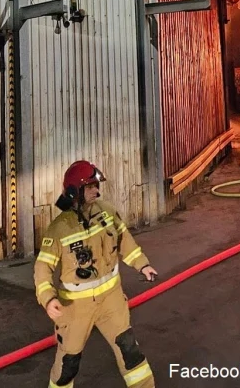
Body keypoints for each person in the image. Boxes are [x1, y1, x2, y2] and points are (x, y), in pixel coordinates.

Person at [34, 160, 158, 387]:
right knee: (68, 364)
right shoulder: (59, 228)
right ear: (75, 191)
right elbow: (43, 268)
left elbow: (125, 242)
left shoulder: (108, 213)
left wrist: (142, 264)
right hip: (74, 308)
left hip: (111, 300)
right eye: (90, 186)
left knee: (130, 352)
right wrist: (48, 299)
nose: (96, 190)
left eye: (95, 185)